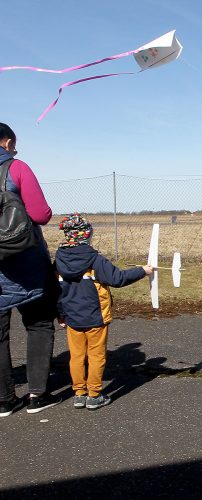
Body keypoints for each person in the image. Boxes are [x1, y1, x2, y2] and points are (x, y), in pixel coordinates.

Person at [54, 213, 153, 410]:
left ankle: (79, 393)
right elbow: (117, 279)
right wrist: (143, 270)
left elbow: (55, 290)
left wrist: (60, 314)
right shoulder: (95, 259)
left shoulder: (58, 260)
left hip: (72, 318)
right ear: (86, 235)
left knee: (76, 356)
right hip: (95, 318)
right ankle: (94, 394)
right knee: (97, 356)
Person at [0, 123, 61, 417]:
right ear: (7, 142)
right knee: (38, 324)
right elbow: (40, 214)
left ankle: (4, 399)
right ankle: (38, 394)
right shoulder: (17, 168)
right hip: (25, 260)